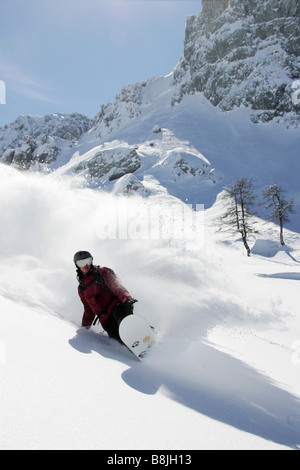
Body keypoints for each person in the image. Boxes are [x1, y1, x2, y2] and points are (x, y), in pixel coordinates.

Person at [74, 251, 137, 342]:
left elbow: (117, 286)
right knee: (119, 338)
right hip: (106, 321)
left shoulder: (102, 272)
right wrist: (84, 329)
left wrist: (126, 299)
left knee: (125, 324)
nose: (85, 265)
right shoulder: (82, 288)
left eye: (88, 261)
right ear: (77, 265)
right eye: (81, 263)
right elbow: (88, 310)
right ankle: (136, 349)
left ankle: (145, 335)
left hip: (117, 307)